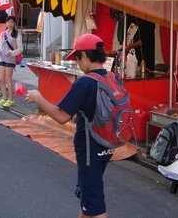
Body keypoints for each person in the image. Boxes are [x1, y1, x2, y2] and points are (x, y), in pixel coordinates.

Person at [26, 34, 114, 218]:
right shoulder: (112, 77)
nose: (77, 63)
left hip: (90, 148)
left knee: (95, 204)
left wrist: (38, 98)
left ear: (84, 56)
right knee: (87, 196)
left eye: (76, 58)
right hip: (106, 144)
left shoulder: (84, 82)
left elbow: (61, 116)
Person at [0, 15, 23, 108]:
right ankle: (4, 98)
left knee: (8, 80)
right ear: (6, 23)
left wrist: (11, 53)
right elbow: (0, 48)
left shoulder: (17, 34)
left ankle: (11, 99)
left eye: (12, 22)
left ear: (15, 23)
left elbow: (20, 49)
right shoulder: (3, 34)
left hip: (10, 59)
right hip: (2, 58)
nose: (10, 24)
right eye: (8, 22)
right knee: (1, 79)